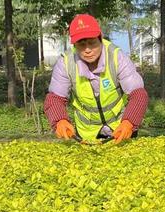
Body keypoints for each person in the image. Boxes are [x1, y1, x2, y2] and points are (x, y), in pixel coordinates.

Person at [44, 14, 149, 144]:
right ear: (74, 45)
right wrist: (60, 120)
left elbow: (138, 93)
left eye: (92, 43)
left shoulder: (117, 57)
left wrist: (129, 122)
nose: (87, 50)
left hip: (120, 128)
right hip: (87, 133)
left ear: (100, 38)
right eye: (81, 44)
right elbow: (55, 98)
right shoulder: (65, 62)